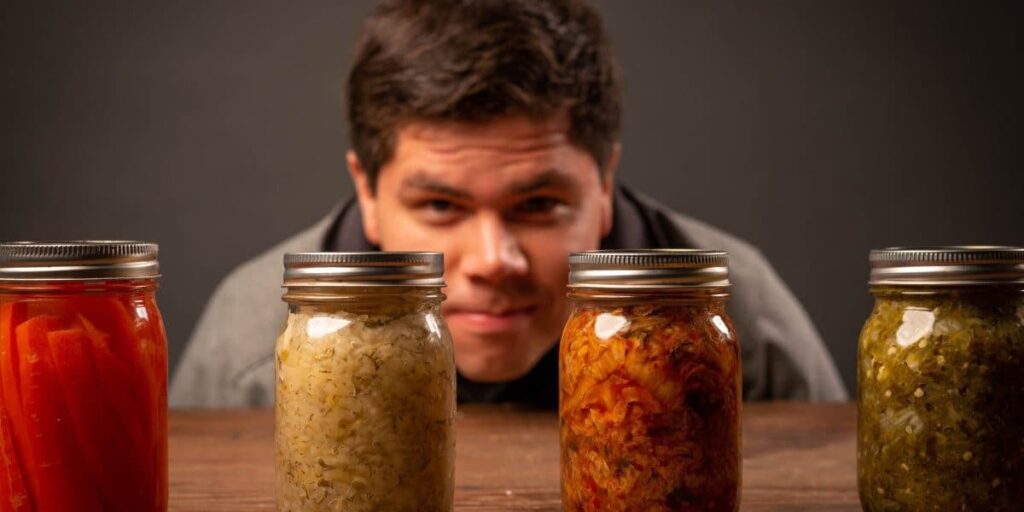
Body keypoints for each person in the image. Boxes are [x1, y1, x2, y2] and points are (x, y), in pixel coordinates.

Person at [170, 0, 847, 409]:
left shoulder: (739, 323)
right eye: (439, 205)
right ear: (368, 194)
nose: (494, 261)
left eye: (541, 204)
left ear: (604, 185)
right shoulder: (251, 348)